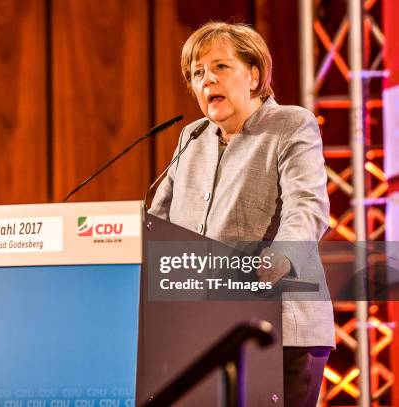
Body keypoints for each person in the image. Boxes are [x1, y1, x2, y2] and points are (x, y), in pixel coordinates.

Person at [149, 21, 334, 406]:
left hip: (282, 326)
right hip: (202, 328)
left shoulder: (289, 124)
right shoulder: (192, 137)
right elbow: (159, 220)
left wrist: (283, 254)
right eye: (197, 73)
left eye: (220, 67)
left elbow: (307, 205)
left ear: (253, 75)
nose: (206, 81)